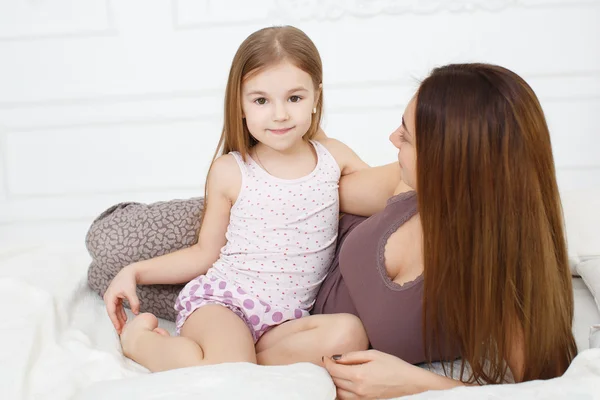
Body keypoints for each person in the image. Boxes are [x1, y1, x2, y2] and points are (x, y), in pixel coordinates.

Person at [102, 25, 371, 372]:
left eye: (295, 98)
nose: (280, 114)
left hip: (284, 321)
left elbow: (391, 198)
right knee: (232, 366)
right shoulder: (231, 170)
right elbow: (204, 253)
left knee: (349, 333)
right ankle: (139, 341)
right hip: (224, 304)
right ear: (240, 104)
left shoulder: (334, 156)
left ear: (316, 97)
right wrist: (135, 271)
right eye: (261, 100)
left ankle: (232, 361)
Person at [314, 63, 577, 399]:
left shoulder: (503, 276)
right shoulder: (405, 184)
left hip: (309, 334)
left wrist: (417, 384)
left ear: (447, 163)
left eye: (406, 136)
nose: (393, 138)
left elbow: (546, 391)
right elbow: (313, 192)